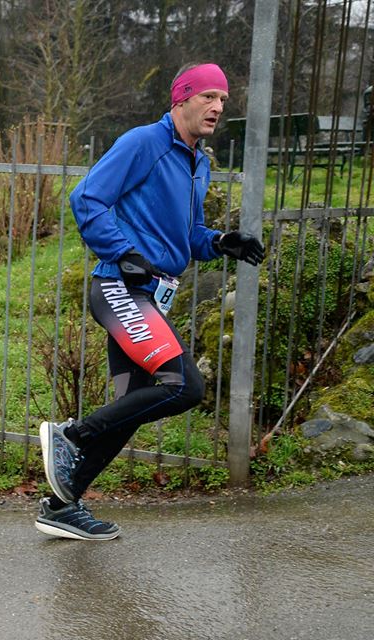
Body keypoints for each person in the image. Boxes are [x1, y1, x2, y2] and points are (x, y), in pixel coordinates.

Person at [38, 63, 265, 540]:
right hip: (120, 289)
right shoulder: (144, 142)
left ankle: (61, 505)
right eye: (208, 97)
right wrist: (123, 253)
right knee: (185, 386)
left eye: (223, 100)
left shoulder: (197, 161)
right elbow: (87, 199)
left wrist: (221, 241)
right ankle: (70, 436)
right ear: (180, 99)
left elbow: (184, 236)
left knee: (132, 406)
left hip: (151, 295)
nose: (218, 107)